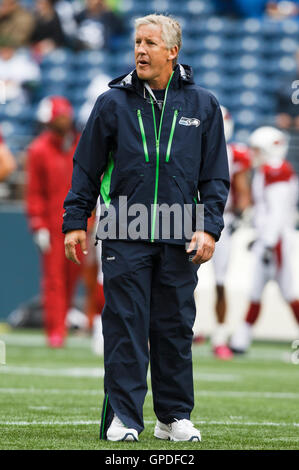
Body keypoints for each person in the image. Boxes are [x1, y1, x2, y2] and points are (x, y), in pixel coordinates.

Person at [63, 14, 229, 442]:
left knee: (174, 329)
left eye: (151, 43)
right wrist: (74, 221)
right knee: (125, 324)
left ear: (172, 51)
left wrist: (209, 228)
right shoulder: (111, 102)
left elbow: (214, 177)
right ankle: (125, 417)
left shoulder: (203, 105)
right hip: (123, 228)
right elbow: (85, 167)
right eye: (138, 41)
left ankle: (172, 417)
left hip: (180, 231)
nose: (140, 49)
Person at [230, 126, 299, 354]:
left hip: (276, 240)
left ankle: (241, 339)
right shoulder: (267, 170)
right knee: (257, 292)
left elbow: (277, 213)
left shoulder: (277, 170)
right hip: (269, 239)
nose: (254, 153)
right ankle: (241, 340)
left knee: (287, 292)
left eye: (258, 149)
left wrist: (268, 243)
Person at [26, 96, 82, 348]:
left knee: (73, 277)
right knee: (54, 279)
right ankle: (56, 330)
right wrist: (37, 223)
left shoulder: (79, 145)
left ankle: (68, 322)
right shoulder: (38, 150)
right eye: (60, 116)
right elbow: (34, 191)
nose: (65, 119)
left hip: (80, 222)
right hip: (52, 224)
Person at [210, 106, 251, 360]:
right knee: (176, 279)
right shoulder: (191, 146)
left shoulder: (235, 154)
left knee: (220, 281)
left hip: (221, 218)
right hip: (190, 216)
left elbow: (243, 192)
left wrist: (240, 215)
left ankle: (220, 334)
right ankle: (185, 330)